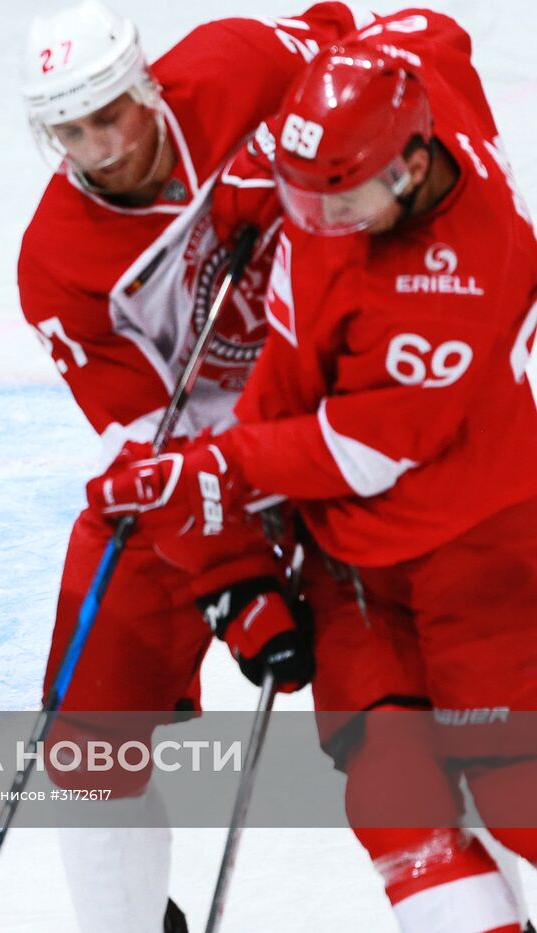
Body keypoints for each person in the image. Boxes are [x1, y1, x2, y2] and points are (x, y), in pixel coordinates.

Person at [87, 11, 537, 932]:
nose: (317, 225)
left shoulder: (455, 279)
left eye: (340, 205)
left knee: (516, 785)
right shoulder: (393, 105)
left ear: (412, 170)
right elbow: (430, 31)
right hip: (352, 557)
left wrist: (214, 467)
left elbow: (358, 451)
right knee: (392, 791)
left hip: (479, 547)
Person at [17, 3, 361, 929]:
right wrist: (236, 579)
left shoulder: (238, 63)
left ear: (147, 84)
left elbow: (357, 51)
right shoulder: (56, 263)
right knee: (87, 728)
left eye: (111, 115)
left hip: (349, 413)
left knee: (416, 694)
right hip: (203, 469)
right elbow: (144, 448)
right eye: (71, 130)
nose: (99, 147)